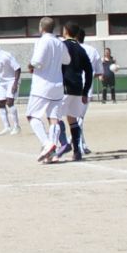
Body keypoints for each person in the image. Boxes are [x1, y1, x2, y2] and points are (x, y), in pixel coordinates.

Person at [26, 17, 69, 163]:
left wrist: (30, 66)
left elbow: (37, 61)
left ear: (41, 27)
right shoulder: (59, 42)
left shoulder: (42, 41)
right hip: (57, 85)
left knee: (32, 116)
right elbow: (67, 60)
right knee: (53, 119)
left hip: (42, 86)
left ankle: (47, 144)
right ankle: (52, 154)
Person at [54, 23, 93, 162]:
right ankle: (77, 151)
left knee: (55, 117)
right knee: (72, 119)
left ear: (65, 31)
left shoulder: (61, 46)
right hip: (77, 88)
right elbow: (89, 71)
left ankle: (64, 144)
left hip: (64, 86)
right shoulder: (81, 49)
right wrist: (85, 91)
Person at [0, 42, 22, 135]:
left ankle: (17, 127)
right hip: (2, 82)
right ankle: (7, 127)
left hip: (12, 80)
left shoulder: (6, 56)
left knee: (9, 102)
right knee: (1, 103)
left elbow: (17, 68)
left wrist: (15, 83)